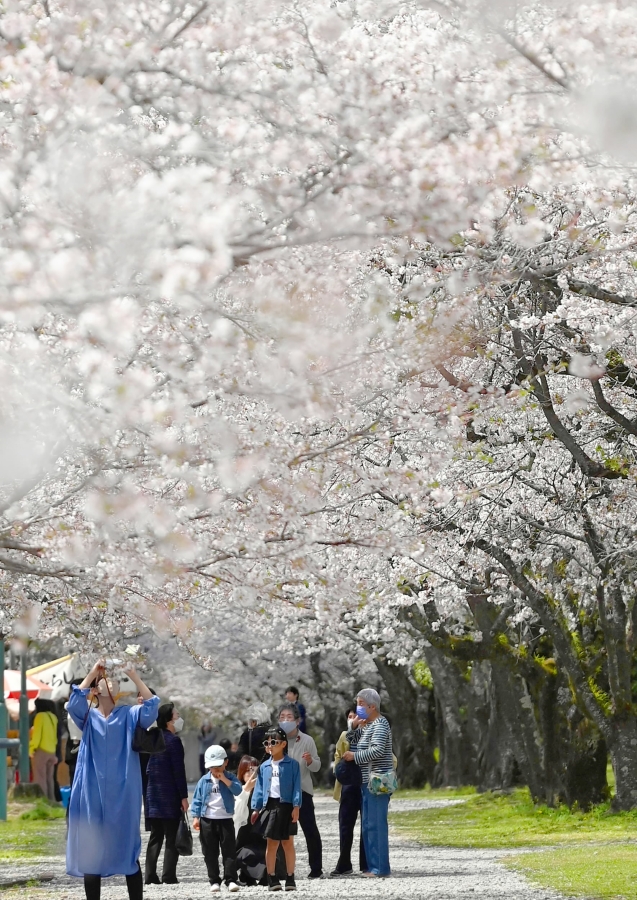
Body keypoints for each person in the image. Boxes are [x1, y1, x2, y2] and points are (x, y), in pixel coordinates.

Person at [66, 659, 160, 900]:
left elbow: (151, 707)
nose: (115, 682)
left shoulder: (128, 714)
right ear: (97, 690)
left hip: (124, 789)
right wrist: (92, 672)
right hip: (91, 788)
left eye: (118, 681)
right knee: (92, 849)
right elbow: (73, 701)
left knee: (128, 845)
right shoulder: (87, 716)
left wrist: (135, 676)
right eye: (109, 680)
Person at [342, 688, 394, 878]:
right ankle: (372, 866)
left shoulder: (380, 724)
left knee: (377, 824)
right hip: (366, 781)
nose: (358, 708)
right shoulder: (367, 725)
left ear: (372, 706)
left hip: (378, 781)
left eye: (361, 704)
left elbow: (378, 750)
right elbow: (353, 742)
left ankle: (381, 868)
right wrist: (353, 727)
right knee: (368, 825)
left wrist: (354, 756)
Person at [251, 726, 301, 892]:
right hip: (271, 806)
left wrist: (296, 806)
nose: (269, 745)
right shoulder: (264, 766)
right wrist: (256, 808)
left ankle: (290, 876)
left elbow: (296, 787)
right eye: (267, 742)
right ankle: (271, 876)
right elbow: (259, 788)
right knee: (271, 843)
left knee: (288, 843)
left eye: (274, 742)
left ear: (284, 744)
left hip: (287, 806)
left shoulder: (293, 765)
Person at [144, 702, 189, 885]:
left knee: (156, 835)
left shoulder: (153, 738)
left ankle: (150, 875)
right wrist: (183, 797)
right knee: (171, 836)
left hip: (153, 794)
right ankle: (168, 875)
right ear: (169, 719)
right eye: (177, 715)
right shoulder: (173, 741)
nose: (179, 719)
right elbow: (178, 771)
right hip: (169, 795)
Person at [278, 702, 322, 879]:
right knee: (280, 832)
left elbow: (317, 767)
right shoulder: (275, 739)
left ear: (297, 721)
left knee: (310, 829)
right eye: (282, 718)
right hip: (281, 794)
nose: (285, 721)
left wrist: (310, 760)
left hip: (303, 791)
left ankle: (316, 868)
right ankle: (281, 870)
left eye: (289, 718)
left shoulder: (307, 740)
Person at [191, 744, 242, 893]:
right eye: (212, 767)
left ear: (226, 762)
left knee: (229, 851)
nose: (215, 770)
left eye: (218, 766)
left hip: (226, 819)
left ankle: (231, 879)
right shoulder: (204, 781)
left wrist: (225, 780)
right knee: (210, 852)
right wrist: (196, 817)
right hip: (207, 820)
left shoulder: (230, 777)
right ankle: (214, 880)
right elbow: (197, 800)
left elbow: (238, 790)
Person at [331, 707, 367, 876]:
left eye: (356, 716)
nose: (353, 719)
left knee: (367, 825)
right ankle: (344, 863)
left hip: (366, 784)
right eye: (350, 717)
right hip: (349, 785)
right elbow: (338, 756)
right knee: (345, 825)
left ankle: (366, 863)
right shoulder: (345, 735)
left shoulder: (372, 732)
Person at [29, 697, 59, 801]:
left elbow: (37, 736)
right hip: (51, 751)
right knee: (49, 779)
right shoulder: (53, 717)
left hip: (41, 751)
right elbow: (55, 736)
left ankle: (42, 802)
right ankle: (52, 802)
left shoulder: (39, 716)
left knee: (40, 778)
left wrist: (31, 749)